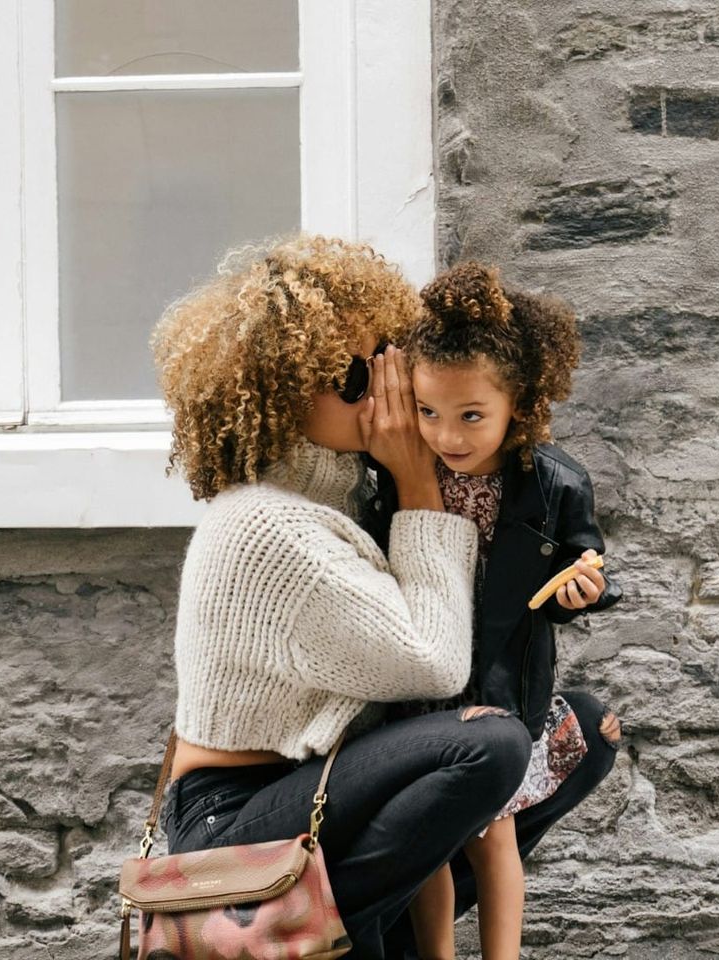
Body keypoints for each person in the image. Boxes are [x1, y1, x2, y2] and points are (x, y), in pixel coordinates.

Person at [150, 235, 534, 959]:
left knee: (575, 730)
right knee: (489, 745)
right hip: (232, 818)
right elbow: (432, 661)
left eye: (390, 358)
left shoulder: (344, 497)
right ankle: (288, 930)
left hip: (316, 792)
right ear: (284, 389)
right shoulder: (268, 526)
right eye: (354, 376)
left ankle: (355, 935)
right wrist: (422, 486)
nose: (386, 388)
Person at [367, 262, 623, 959]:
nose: (448, 435)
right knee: (433, 832)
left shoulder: (553, 484)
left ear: (521, 404)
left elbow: (586, 563)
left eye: (471, 415)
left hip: (504, 681)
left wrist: (584, 589)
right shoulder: (400, 475)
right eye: (429, 412)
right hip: (423, 678)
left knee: (493, 830)